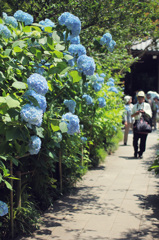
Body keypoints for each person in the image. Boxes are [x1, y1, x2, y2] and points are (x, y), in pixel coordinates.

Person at [131, 91, 152, 158]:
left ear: (144, 98)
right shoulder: (135, 106)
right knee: (135, 140)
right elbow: (132, 115)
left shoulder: (147, 105)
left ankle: (141, 152)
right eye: (139, 98)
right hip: (137, 124)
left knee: (143, 140)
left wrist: (144, 112)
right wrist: (136, 113)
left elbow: (150, 115)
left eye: (142, 98)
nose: (140, 99)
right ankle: (135, 151)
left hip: (144, 124)